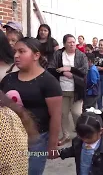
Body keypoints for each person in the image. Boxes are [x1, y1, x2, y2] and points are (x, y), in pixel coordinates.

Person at [0, 37, 63, 174]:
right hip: (11, 138)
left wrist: (52, 145)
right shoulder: (8, 79)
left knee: (31, 171)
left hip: (37, 140)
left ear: (36, 55)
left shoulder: (49, 82)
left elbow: (56, 115)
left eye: (22, 51)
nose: (16, 55)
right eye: (15, 51)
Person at [48, 34, 88, 146]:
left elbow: (84, 71)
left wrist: (70, 70)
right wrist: (63, 72)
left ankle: (81, 135)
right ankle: (66, 135)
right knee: (63, 114)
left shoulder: (81, 55)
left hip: (77, 89)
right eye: (69, 42)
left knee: (77, 113)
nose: (72, 44)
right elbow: (50, 69)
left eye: (73, 42)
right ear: (64, 44)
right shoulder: (58, 54)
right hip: (61, 89)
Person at [58, 110, 103, 175]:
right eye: (81, 136)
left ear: (100, 131)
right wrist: (51, 153)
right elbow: (69, 151)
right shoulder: (78, 142)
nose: (85, 140)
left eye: (88, 137)